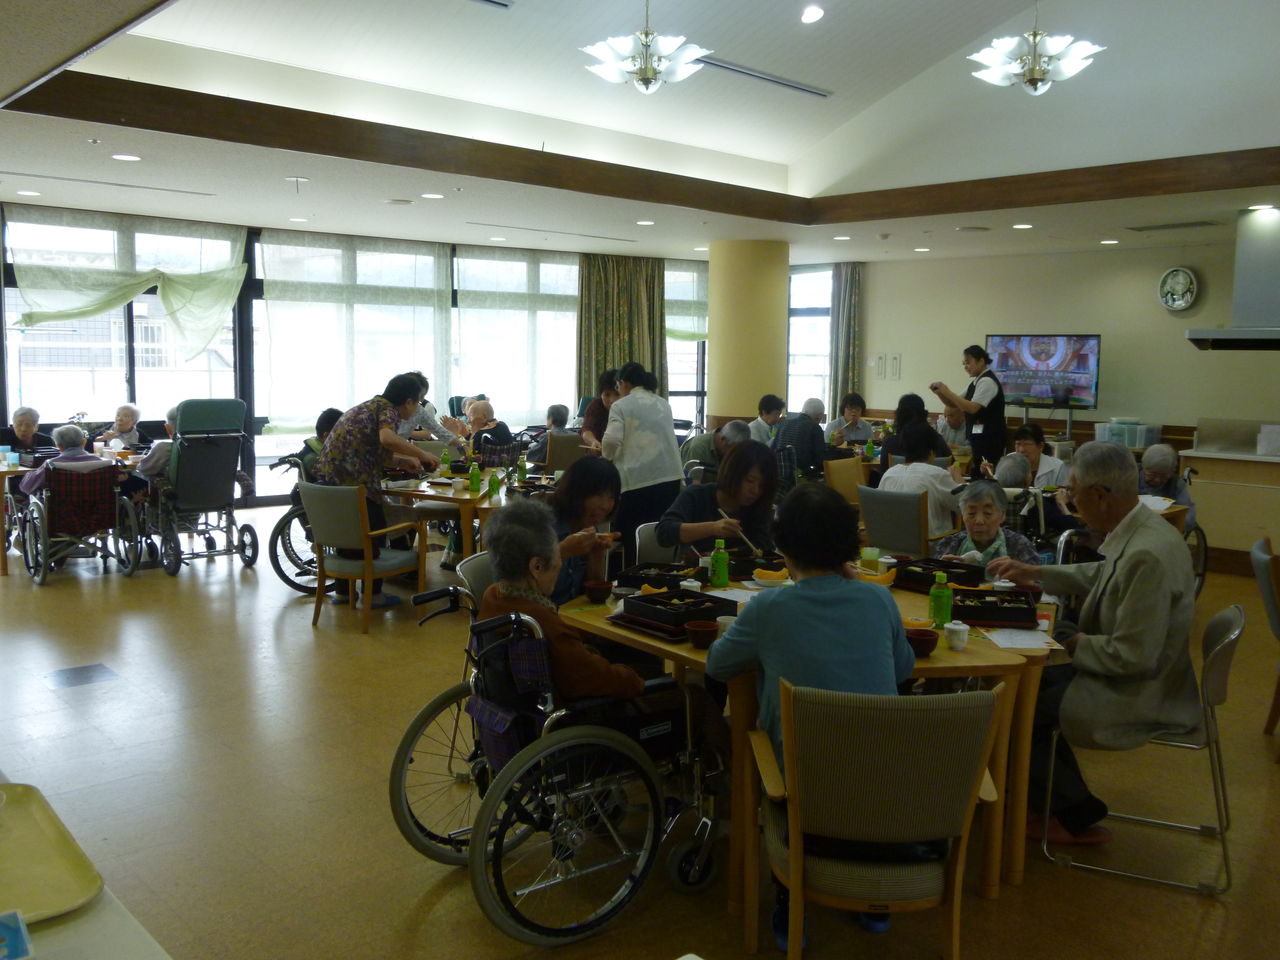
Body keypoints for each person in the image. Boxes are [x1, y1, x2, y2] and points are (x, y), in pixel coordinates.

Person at [706, 482, 916, 941]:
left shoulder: (769, 607)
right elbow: (904, 669)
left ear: (783, 546)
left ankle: (789, 897)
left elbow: (717, 665)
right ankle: (874, 895)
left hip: (798, 782)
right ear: (849, 545)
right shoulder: (879, 600)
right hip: (880, 780)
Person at [988, 441, 1200, 845]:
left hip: (1137, 691)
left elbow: (1133, 656)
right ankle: (1053, 801)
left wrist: (1074, 642)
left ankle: (1067, 815)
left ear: (1100, 496)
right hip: (1138, 673)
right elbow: (1104, 576)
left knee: (1016, 702)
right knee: (1030, 684)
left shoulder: (1147, 556)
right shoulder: (1147, 528)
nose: (1070, 501)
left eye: (1073, 492)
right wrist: (1035, 572)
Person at [479, 498, 645, 700]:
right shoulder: (543, 622)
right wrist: (634, 679)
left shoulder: (492, 596)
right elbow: (591, 678)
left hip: (511, 704)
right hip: (572, 710)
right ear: (537, 567)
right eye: (556, 555)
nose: (559, 562)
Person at [313, 373, 442, 605]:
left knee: (345, 535)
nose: (416, 410)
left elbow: (371, 450)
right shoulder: (388, 410)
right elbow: (387, 439)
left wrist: (401, 462)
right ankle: (373, 596)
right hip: (354, 481)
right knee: (375, 529)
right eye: (417, 403)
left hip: (329, 480)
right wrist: (422, 454)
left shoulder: (366, 408)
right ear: (408, 402)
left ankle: (343, 593)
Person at [601, 361, 684, 567]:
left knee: (633, 539)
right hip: (670, 478)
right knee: (661, 535)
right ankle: (663, 577)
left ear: (623, 383)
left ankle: (633, 580)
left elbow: (611, 441)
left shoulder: (621, 405)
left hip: (637, 482)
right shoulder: (663, 404)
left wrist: (607, 458)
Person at [657, 440, 778, 555]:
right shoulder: (697, 495)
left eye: (763, 485)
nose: (755, 491)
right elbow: (663, 533)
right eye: (750, 480)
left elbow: (765, 547)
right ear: (732, 473)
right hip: (695, 567)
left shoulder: (759, 506)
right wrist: (712, 528)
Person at [542, 455, 621, 606]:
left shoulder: (588, 526)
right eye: (598, 495)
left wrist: (596, 554)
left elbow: (592, 596)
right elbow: (519, 592)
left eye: (611, 497)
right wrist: (562, 552)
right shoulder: (540, 527)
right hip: (537, 617)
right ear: (575, 492)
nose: (606, 505)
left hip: (571, 615)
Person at [930, 345, 1006, 477]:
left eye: (968, 362)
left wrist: (946, 391)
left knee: (986, 478)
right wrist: (940, 393)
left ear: (981, 361)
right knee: (978, 475)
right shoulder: (976, 382)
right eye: (964, 364)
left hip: (990, 440)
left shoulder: (987, 381)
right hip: (979, 440)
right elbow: (953, 404)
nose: (965, 367)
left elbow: (972, 408)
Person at [879, 424, 966, 538]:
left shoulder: (888, 474)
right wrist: (958, 478)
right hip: (932, 544)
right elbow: (966, 506)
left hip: (890, 543)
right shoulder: (937, 474)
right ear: (931, 452)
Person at [933, 480, 1040, 565]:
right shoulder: (950, 544)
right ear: (963, 515)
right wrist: (940, 570)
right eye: (971, 513)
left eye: (987, 513)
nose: (979, 521)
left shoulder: (1019, 545)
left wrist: (1018, 575)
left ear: (1002, 515)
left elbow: (1036, 584)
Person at [19, 424, 116, 495]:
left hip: (61, 513)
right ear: (84, 443)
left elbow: (25, 487)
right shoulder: (100, 463)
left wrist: (30, 474)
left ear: (58, 446)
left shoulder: (51, 465)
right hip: (98, 513)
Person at [877, 393, 951, 473]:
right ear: (924, 415)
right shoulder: (937, 440)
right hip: (934, 480)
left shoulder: (889, 443)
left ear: (899, 416)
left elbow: (884, 474)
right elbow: (952, 466)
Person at [396, 372, 464, 447]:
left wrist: (463, 448)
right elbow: (389, 440)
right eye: (419, 397)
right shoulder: (388, 410)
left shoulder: (421, 409)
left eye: (422, 397)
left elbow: (441, 433)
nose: (420, 402)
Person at [1139, 443, 1196, 529]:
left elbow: (1188, 514)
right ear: (1144, 467)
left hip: (1164, 529)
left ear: (1172, 472)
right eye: (1152, 474)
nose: (1157, 480)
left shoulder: (1176, 484)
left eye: (1164, 476)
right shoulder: (1131, 477)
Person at [771, 397, 827, 479]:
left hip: (778, 474)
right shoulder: (815, 428)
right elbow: (820, 459)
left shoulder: (784, 424)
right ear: (819, 416)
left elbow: (773, 449)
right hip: (801, 477)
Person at [678, 419, 750, 482]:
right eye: (733, 450)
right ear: (723, 440)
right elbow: (693, 487)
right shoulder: (698, 447)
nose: (734, 455)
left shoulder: (733, 446)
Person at [1011, 423, 1069, 488]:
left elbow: (1064, 492)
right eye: (1018, 444)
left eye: (1027, 444)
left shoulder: (1058, 467)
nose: (1021, 450)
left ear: (1041, 446)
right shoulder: (1008, 462)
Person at [580, 369, 619, 451]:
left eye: (617, 394)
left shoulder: (629, 408)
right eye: (607, 395)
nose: (612, 400)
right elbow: (586, 430)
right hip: (599, 455)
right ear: (601, 395)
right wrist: (593, 441)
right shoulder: (595, 406)